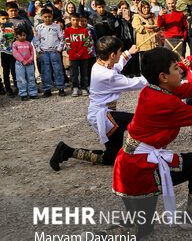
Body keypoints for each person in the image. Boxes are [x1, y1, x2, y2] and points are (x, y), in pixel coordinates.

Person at [80, 47, 192, 241]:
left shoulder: (152, 89)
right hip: (141, 167)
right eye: (175, 69)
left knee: (142, 227)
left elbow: (184, 89)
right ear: (163, 77)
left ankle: (100, 239)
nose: (180, 73)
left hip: (129, 164)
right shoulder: (165, 102)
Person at [49, 37, 147, 171]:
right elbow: (136, 83)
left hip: (106, 114)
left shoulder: (99, 64)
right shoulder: (107, 75)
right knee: (139, 122)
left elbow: (116, 66)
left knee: (112, 158)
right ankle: (141, 154)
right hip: (104, 116)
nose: (120, 54)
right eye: (119, 52)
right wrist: (158, 75)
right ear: (112, 55)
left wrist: (128, 53)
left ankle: (67, 151)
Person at [33, 8, 67, 97]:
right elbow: (36, 40)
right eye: (45, 17)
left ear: (52, 16)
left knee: (58, 70)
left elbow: (62, 39)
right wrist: (39, 50)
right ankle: (47, 89)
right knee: (45, 71)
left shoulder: (56, 27)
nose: (47, 18)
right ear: (41, 17)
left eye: (49, 16)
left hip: (54, 52)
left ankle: (61, 88)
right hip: (44, 52)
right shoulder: (39, 27)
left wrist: (59, 49)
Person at [64, 13, 92, 96]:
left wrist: (80, 53)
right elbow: (67, 43)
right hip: (73, 56)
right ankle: (75, 88)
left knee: (84, 73)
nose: (75, 22)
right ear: (70, 20)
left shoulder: (84, 30)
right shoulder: (67, 31)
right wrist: (74, 53)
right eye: (73, 20)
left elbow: (87, 42)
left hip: (84, 55)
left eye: (77, 20)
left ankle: (84, 87)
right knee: (74, 73)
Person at [11, 26, 38, 101]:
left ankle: (33, 93)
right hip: (20, 64)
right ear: (16, 35)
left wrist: (30, 60)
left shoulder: (28, 43)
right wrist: (23, 61)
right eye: (20, 35)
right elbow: (15, 53)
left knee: (31, 78)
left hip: (29, 63)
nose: (23, 37)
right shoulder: (15, 44)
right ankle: (23, 93)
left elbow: (32, 53)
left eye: (24, 35)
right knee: (21, 79)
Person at [132, 0, 162, 66]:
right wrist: (147, 28)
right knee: (145, 62)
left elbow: (158, 26)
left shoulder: (152, 15)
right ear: (140, 8)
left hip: (154, 42)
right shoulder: (137, 16)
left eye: (148, 7)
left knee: (154, 62)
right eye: (144, 8)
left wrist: (149, 26)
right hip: (144, 43)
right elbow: (138, 27)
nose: (146, 9)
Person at [117, 1, 139, 77]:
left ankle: (135, 73)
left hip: (132, 39)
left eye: (126, 8)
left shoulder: (133, 15)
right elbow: (114, 27)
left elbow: (136, 26)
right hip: (122, 40)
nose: (124, 10)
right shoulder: (118, 17)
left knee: (134, 57)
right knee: (124, 56)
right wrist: (117, 15)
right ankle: (125, 73)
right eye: (122, 8)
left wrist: (129, 20)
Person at [0, 10, 17, 96]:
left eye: (7, 19)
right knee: (6, 71)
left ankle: (17, 87)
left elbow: (15, 40)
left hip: (12, 52)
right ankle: (8, 88)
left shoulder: (11, 28)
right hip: (4, 52)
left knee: (14, 70)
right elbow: (1, 40)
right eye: (3, 19)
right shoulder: (0, 29)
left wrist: (14, 31)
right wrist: (2, 31)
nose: (5, 21)